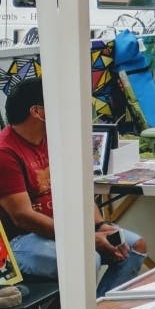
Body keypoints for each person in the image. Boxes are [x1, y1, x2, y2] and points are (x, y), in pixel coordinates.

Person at [0, 78, 147, 295]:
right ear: (37, 111)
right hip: (21, 242)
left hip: (67, 230)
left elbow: (78, 190)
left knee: (135, 247)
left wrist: (98, 226)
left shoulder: (53, 139)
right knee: (86, 259)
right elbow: (23, 216)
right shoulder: (6, 152)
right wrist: (84, 238)